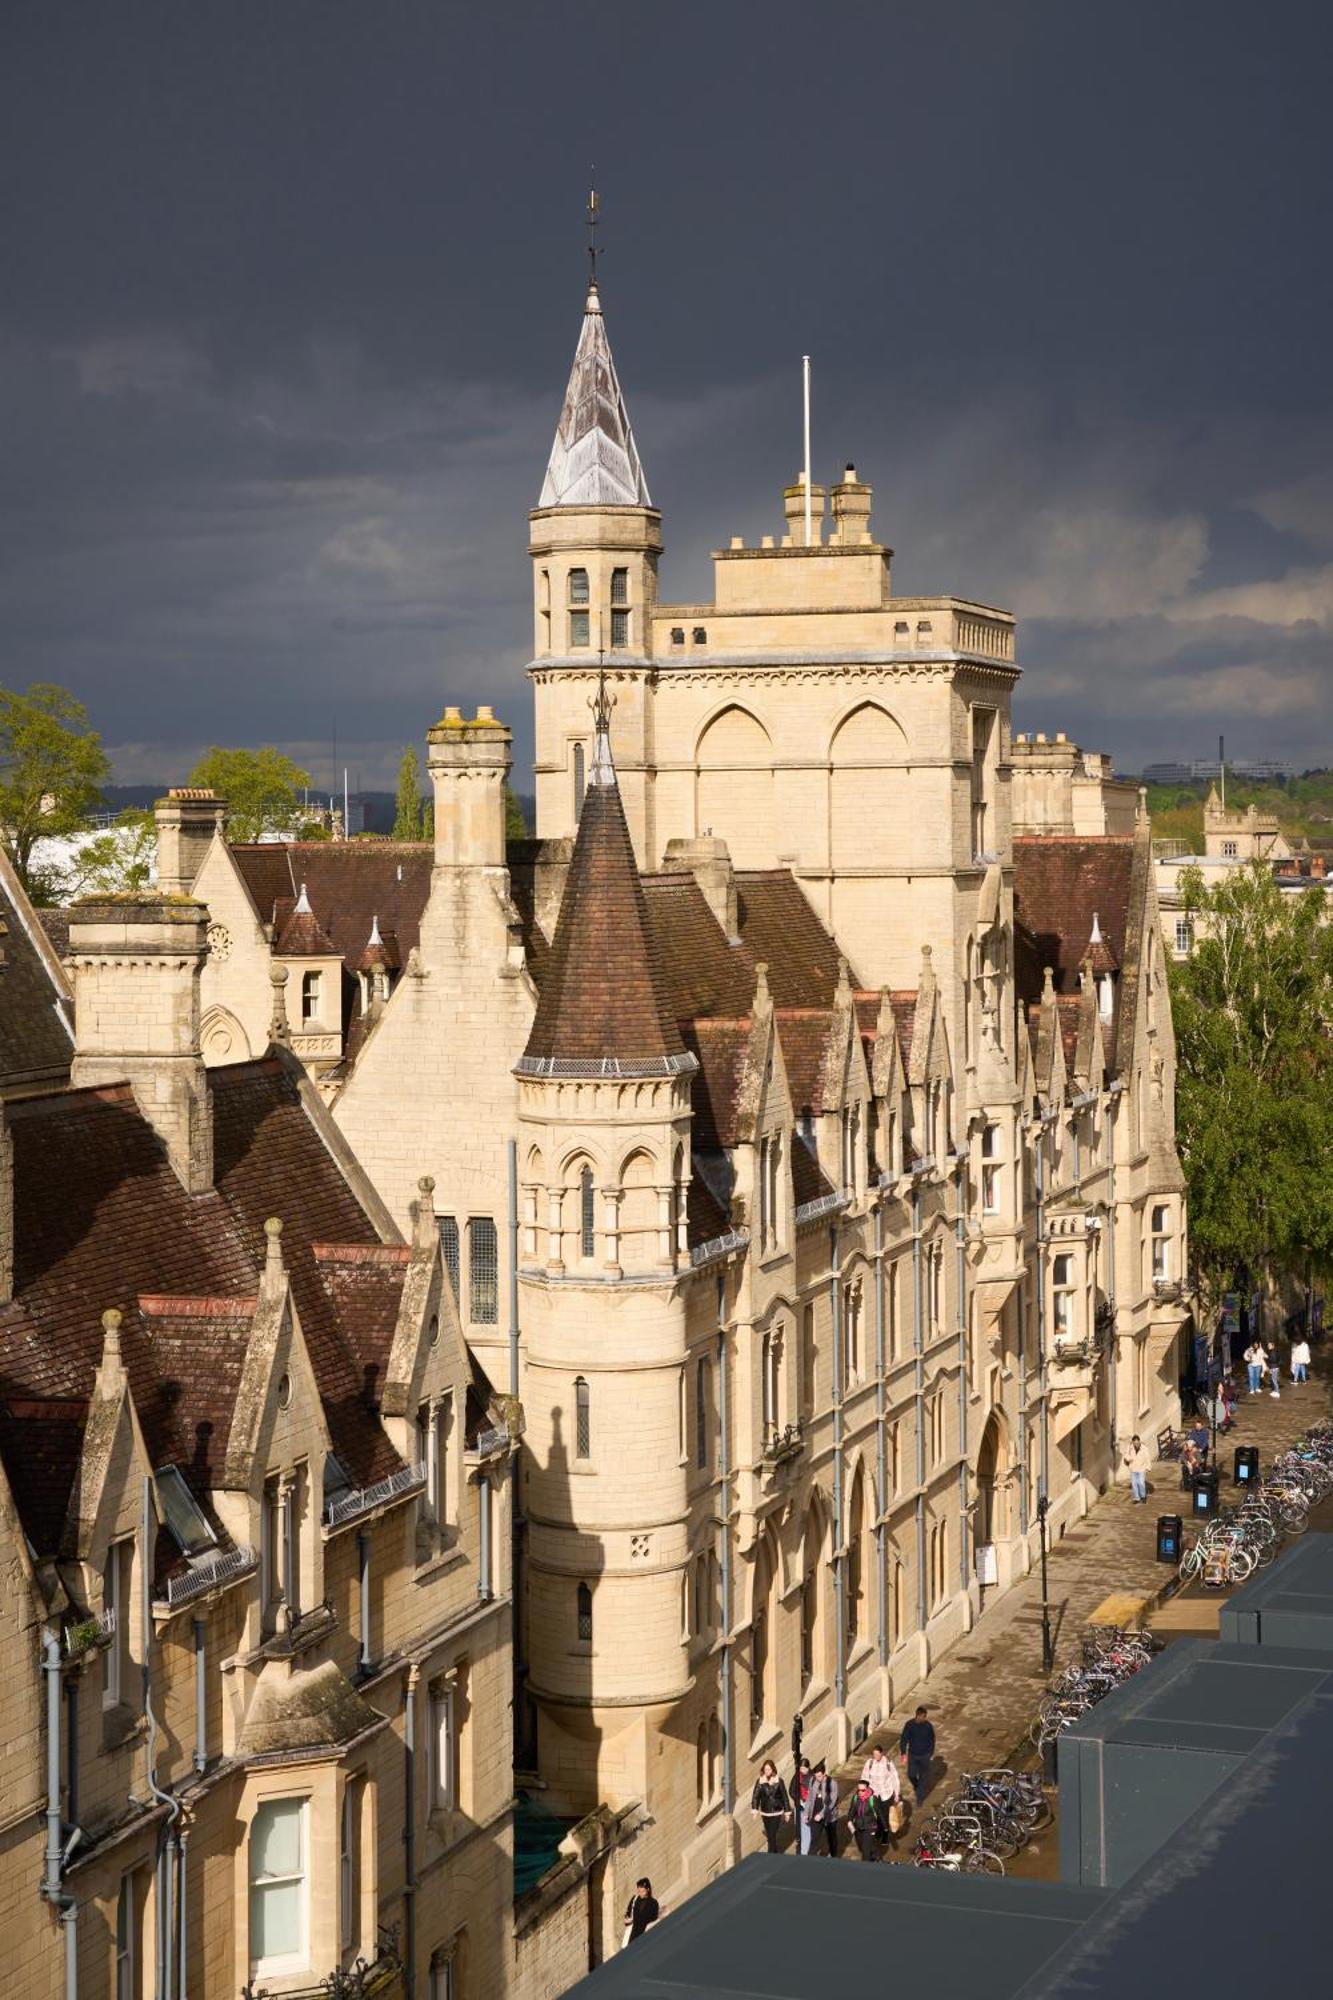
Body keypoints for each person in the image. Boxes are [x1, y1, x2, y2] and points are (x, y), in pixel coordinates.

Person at [860, 1742, 901, 1844]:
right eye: (874, 1754)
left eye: (878, 1754)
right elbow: (864, 1777)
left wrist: (896, 1794)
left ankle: (885, 1835)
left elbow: (895, 1778)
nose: (876, 1756)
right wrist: (863, 1791)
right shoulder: (870, 1763)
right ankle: (878, 1831)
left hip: (886, 1794)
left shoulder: (888, 1763)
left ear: (882, 1753)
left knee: (885, 1815)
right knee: (876, 1815)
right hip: (874, 1794)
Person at [750, 1758, 792, 1853]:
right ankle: (775, 1853)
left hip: (777, 1812)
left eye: (769, 1769)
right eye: (765, 1769)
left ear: (773, 1769)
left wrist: (787, 1812)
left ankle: (770, 1856)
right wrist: (755, 1810)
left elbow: (784, 1797)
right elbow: (755, 1797)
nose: (767, 1771)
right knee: (770, 1836)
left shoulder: (779, 1781)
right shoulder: (760, 1781)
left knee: (772, 1835)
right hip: (765, 1813)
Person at [899, 1705, 936, 1808]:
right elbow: (904, 1739)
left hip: (925, 1756)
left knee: (923, 1778)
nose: (924, 1718)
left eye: (925, 1716)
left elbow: (932, 1739)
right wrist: (903, 1752)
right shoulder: (909, 1725)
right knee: (911, 1775)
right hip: (913, 1755)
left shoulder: (928, 1726)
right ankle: (917, 1786)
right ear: (918, 1716)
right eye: (923, 1716)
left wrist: (930, 1752)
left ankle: (920, 1798)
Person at [805, 1760, 839, 1857]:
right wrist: (806, 1813)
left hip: (829, 1816)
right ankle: (810, 1859)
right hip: (815, 1814)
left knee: (831, 1839)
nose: (818, 1778)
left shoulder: (832, 1783)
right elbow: (809, 1798)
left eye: (819, 1776)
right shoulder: (813, 1780)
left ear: (824, 1774)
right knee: (814, 1839)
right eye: (816, 1776)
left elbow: (831, 1803)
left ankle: (834, 1856)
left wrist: (821, 1814)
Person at [846, 1779, 881, 1864]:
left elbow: (880, 1815)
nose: (860, 1792)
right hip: (858, 1826)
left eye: (863, 1790)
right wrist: (849, 1820)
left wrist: (885, 1829)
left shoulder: (873, 1799)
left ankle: (865, 1869)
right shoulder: (855, 1798)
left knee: (865, 1852)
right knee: (862, 1847)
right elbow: (852, 1811)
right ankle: (875, 1855)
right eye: (859, 1790)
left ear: (867, 1789)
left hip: (870, 1827)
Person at [623, 1879, 659, 1946]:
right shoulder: (634, 1899)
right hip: (632, 1934)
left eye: (643, 1891)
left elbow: (655, 1920)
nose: (641, 1893)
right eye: (639, 1891)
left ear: (648, 1889)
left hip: (645, 1935)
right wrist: (627, 1919)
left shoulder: (653, 1903)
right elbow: (628, 1913)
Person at [1123, 1434, 1152, 1503]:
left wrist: (1148, 1467)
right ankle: (1136, 1498)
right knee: (1134, 1484)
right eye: (1134, 1443)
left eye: (1137, 1442)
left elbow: (1148, 1458)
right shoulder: (1130, 1448)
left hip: (1141, 1468)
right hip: (1133, 1468)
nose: (1136, 1444)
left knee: (1141, 1483)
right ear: (1133, 1442)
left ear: (1139, 1441)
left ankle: (1143, 1496)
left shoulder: (1144, 1448)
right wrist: (1129, 1459)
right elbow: (1126, 1455)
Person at [794, 1755, 813, 1855]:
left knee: (806, 1828)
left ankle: (804, 1852)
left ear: (808, 1768)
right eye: (801, 1768)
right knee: (799, 1827)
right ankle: (802, 1849)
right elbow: (791, 1790)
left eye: (804, 1768)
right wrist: (797, 1801)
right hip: (799, 1804)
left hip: (807, 1804)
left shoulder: (811, 1778)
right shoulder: (797, 1776)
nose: (802, 1770)